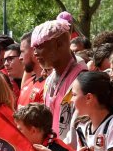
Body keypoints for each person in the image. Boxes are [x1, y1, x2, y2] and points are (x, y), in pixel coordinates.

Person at [32, 12, 87, 143]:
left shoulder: (81, 78)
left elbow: (77, 136)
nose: (35, 53)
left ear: (59, 44)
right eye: (34, 48)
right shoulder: (51, 78)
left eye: (39, 46)